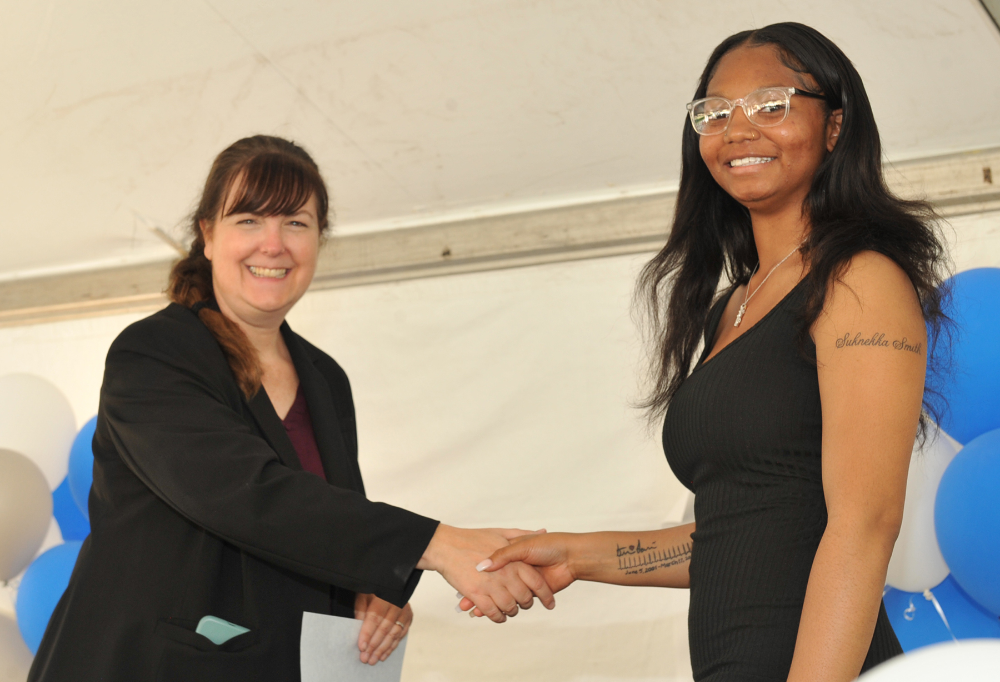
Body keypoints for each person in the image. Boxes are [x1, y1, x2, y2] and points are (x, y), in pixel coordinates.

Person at [469, 22, 949, 682]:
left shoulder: (858, 281)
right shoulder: (733, 305)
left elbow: (864, 527)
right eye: (715, 113)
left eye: (772, 105)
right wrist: (578, 555)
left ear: (835, 126)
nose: (739, 129)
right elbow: (744, 533)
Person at [28, 135, 554, 682]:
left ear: (319, 242)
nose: (274, 244)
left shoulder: (325, 378)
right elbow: (241, 493)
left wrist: (372, 589)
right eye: (249, 220)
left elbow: (323, 519)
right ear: (207, 235)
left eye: (296, 223)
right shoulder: (153, 353)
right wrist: (434, 545)